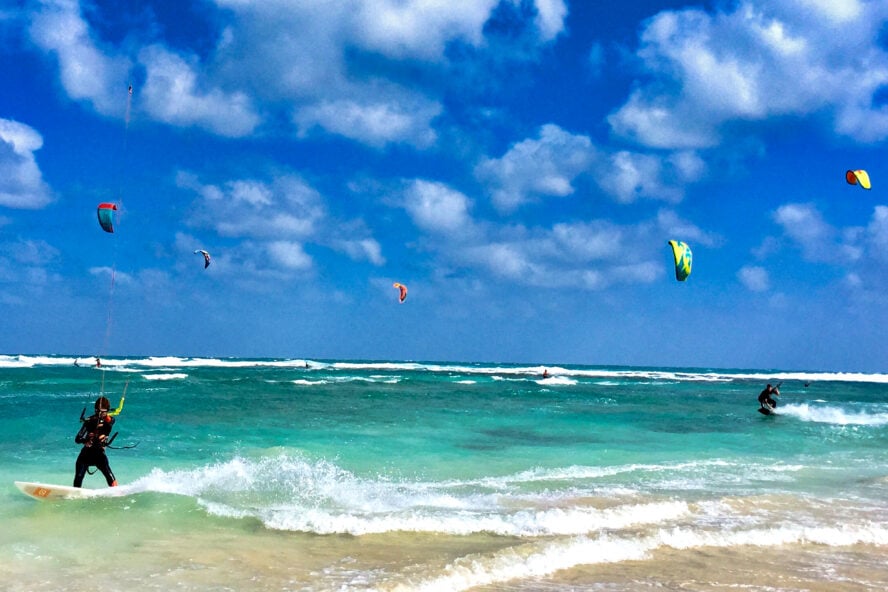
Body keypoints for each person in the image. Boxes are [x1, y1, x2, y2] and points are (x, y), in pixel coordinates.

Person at [73, 396, 117, 488]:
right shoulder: (89, 421)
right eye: (97, 411)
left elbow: (110, 422)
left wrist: (102, 434)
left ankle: (117, 494)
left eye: (103, 412)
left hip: (99, 455)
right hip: (86, 455)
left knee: (110, 478)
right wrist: (85, 441)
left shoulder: (109, 421)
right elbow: (77, 439)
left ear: (107, 411)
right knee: (78, 478)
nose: (100, 414)